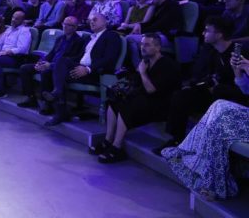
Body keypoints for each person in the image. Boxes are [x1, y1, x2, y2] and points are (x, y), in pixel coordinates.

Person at [154, 16, 249, 154]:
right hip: (215, 92)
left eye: (207, 30)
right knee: (181, 95)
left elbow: (243, 88)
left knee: (217, 92)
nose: (203, 33)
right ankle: (176, 139)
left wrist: (218, 87)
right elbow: (206, 75)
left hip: (234, 97)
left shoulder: (239, 53)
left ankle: (202, 148)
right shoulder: (212, 51)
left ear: (219, 34)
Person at [90, 33, 181, 163]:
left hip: (162, 104)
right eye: (142, 44)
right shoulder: (145, 62)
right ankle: (108, 140)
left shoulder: (167, 64)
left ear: (158, 47)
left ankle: (117, 147)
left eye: (147, 45)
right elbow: (137, 85)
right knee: (114, 100)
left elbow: (151, 90)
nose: (142, 47)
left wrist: (142, 72)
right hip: (145, 100)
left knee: (127, 104)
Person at [44, 13, 121, 125]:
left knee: (58, 74)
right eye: (90, 20)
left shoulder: (112, 36)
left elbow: (109, 59)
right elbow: (79, 57)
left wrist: (88, 69)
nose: (92, 22)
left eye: (95, 19)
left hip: (94, 73)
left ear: (105, 22)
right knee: (59, 64)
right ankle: (59, 104)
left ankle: (60, 109)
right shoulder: (89, 37)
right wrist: (60, 63)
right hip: (80, 68)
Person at [18, 16, 87, 111]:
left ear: (75, 27)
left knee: (45, 72)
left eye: (69, 25)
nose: (65, 26)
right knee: (24, 68)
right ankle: (31, 98)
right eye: (64, 24)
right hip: (50, 64)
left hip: (60, 68)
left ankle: (47, 103)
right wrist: (41, 62)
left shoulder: (79, 41)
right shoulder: (60, 38)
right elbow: (51, 54)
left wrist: (50, 65)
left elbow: (72, 60)